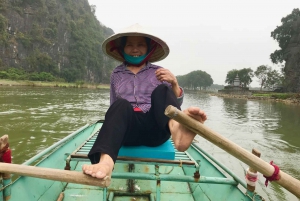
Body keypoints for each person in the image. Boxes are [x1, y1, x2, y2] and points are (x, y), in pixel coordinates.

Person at [82, 24, 207, 182]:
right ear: (122, 48)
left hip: (155, 129)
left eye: (140, 44)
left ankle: (178, 132)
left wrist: (174, 84)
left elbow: (173, 102)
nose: (135, 49)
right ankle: (105, 163)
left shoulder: (159, 72)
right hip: (127, 132)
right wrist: (113, 129)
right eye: (130, 45)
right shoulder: (116, 74)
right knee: (120, 104)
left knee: (162, 90)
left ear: (149, 48)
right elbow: (113, 106)